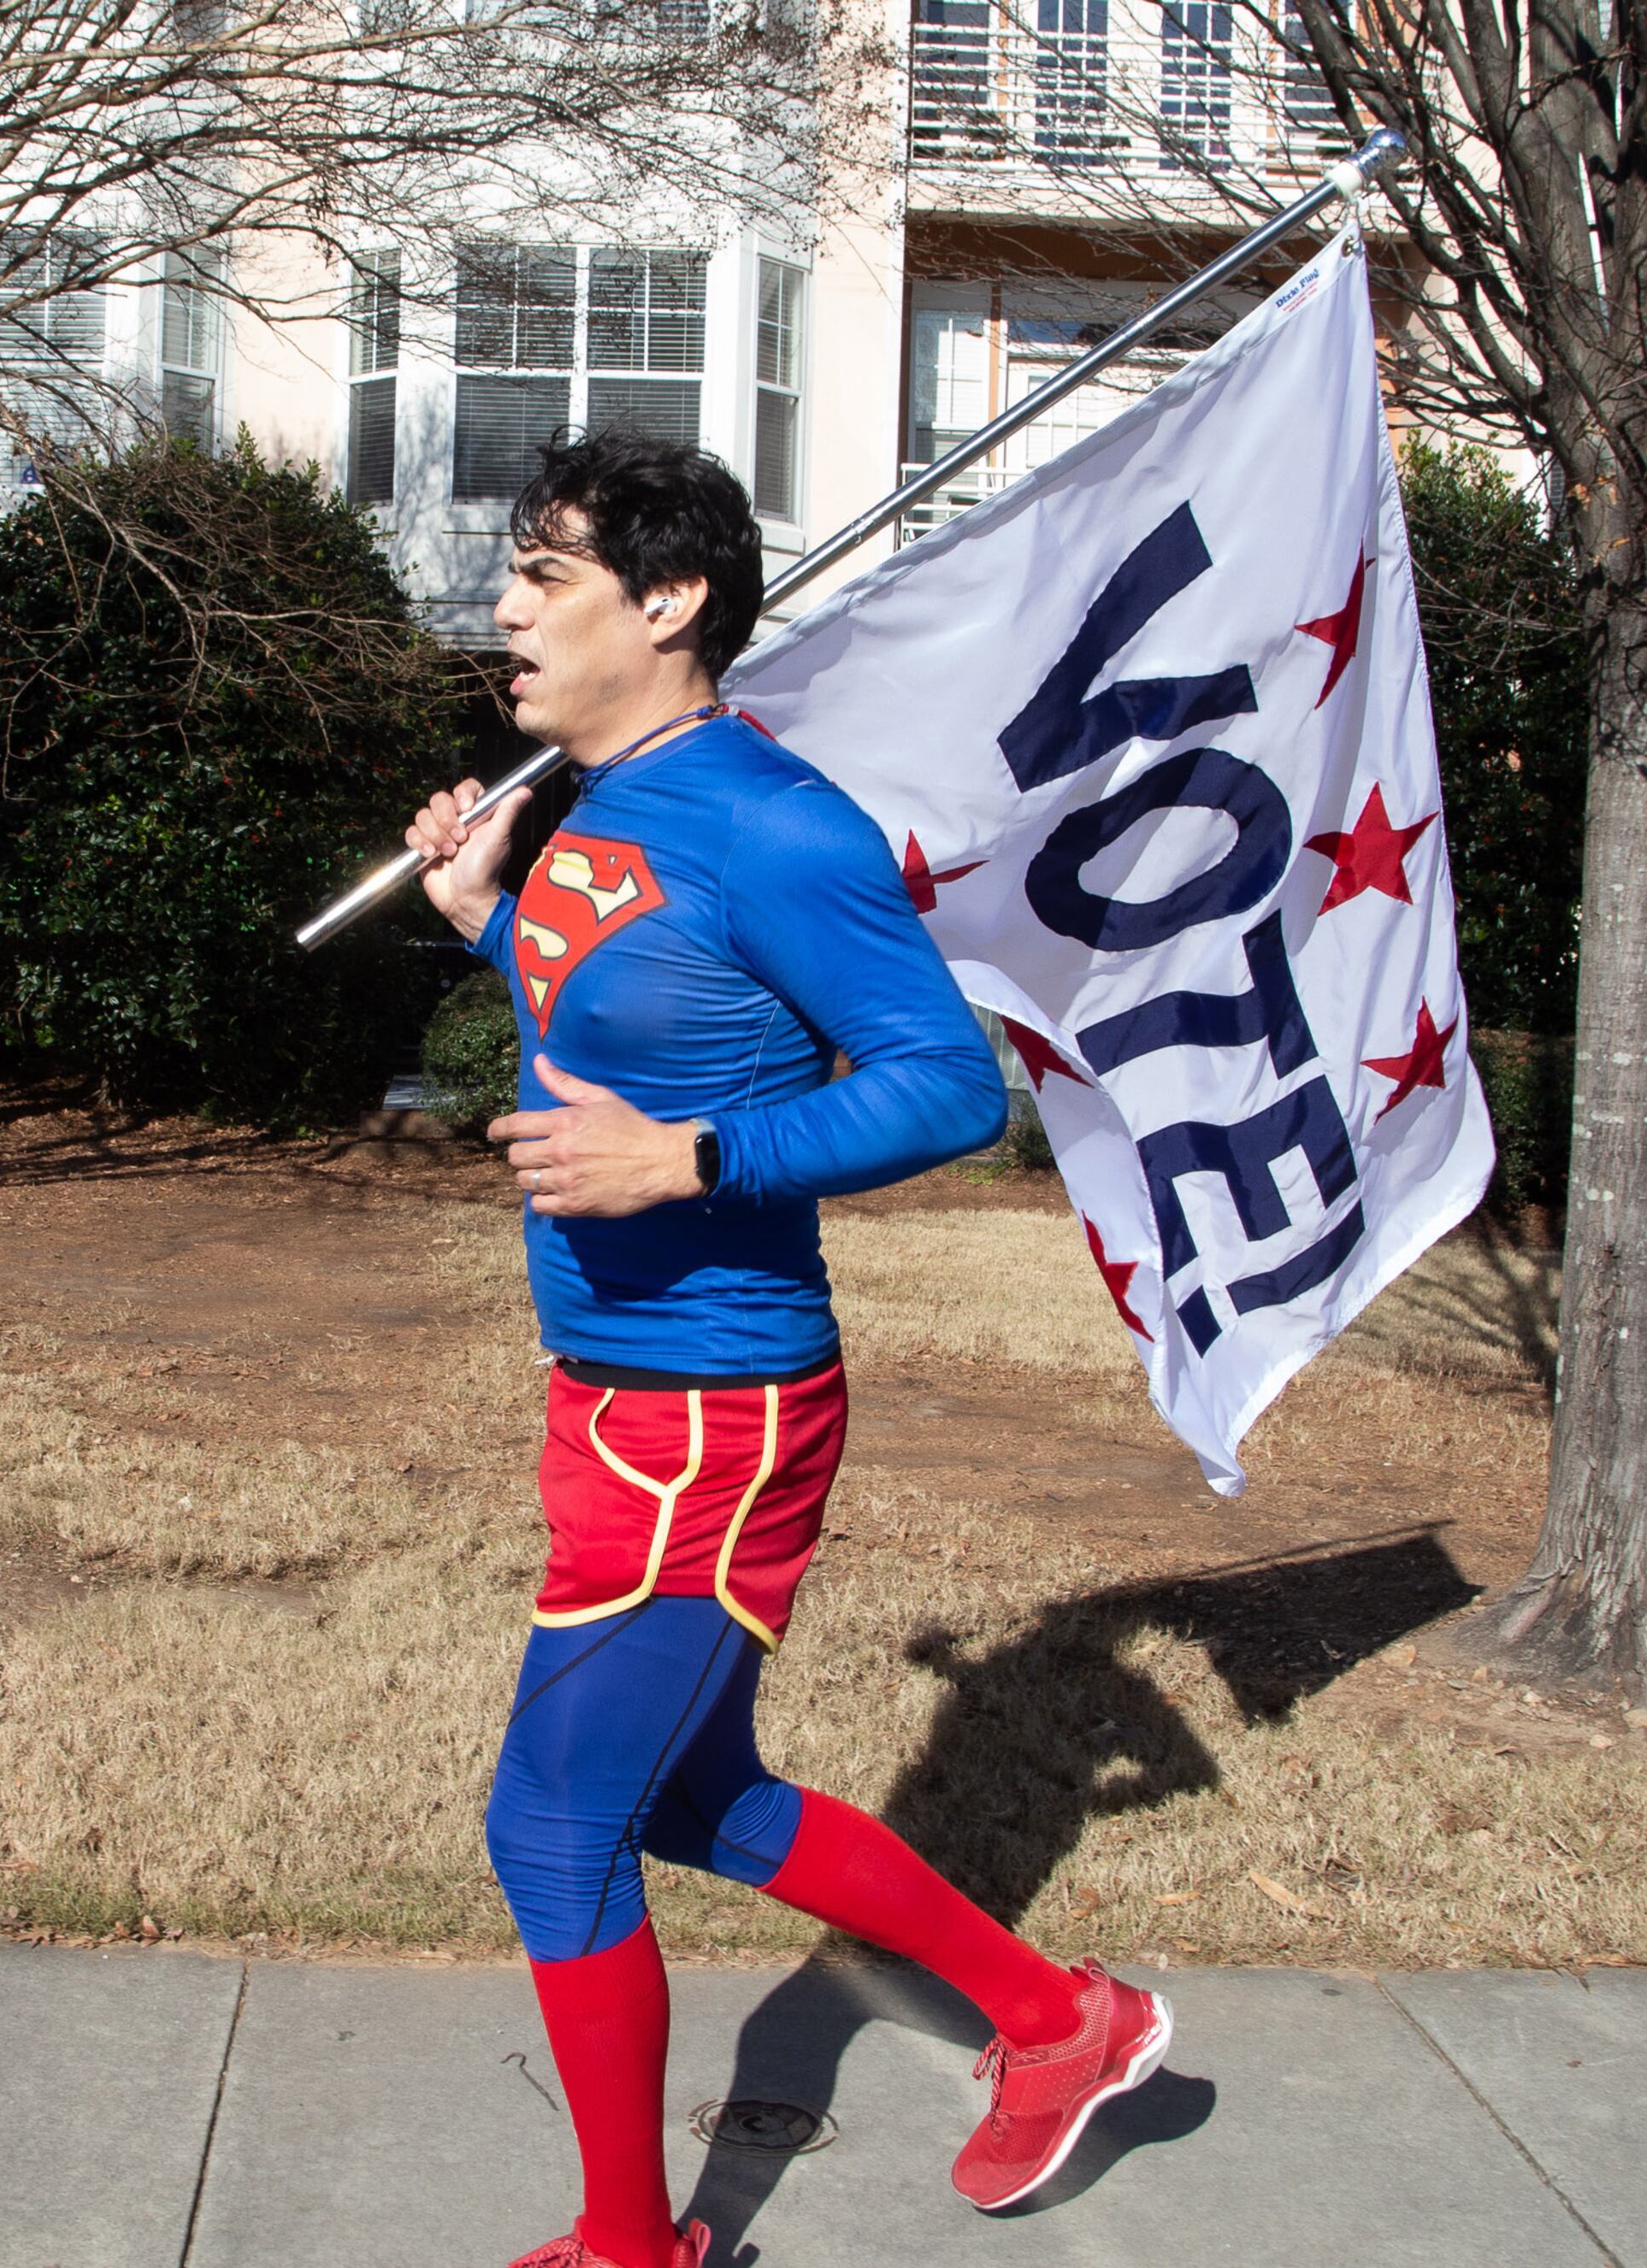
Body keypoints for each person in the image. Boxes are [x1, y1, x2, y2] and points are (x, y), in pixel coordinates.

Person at [402, 433, 1173, 2268]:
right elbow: (645, 1008)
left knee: (552, 1824)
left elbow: (946, 1085)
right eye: (515, 572)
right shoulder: (603, 799)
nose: (505, 607)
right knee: (691, 1797)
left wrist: (692, 1161)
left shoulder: (773, 821)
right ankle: (1067, 2021)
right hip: (608, 1395)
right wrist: (483, 919)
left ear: (667, 605)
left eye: (548, 574)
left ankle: (628, 2249)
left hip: (716, 1413)